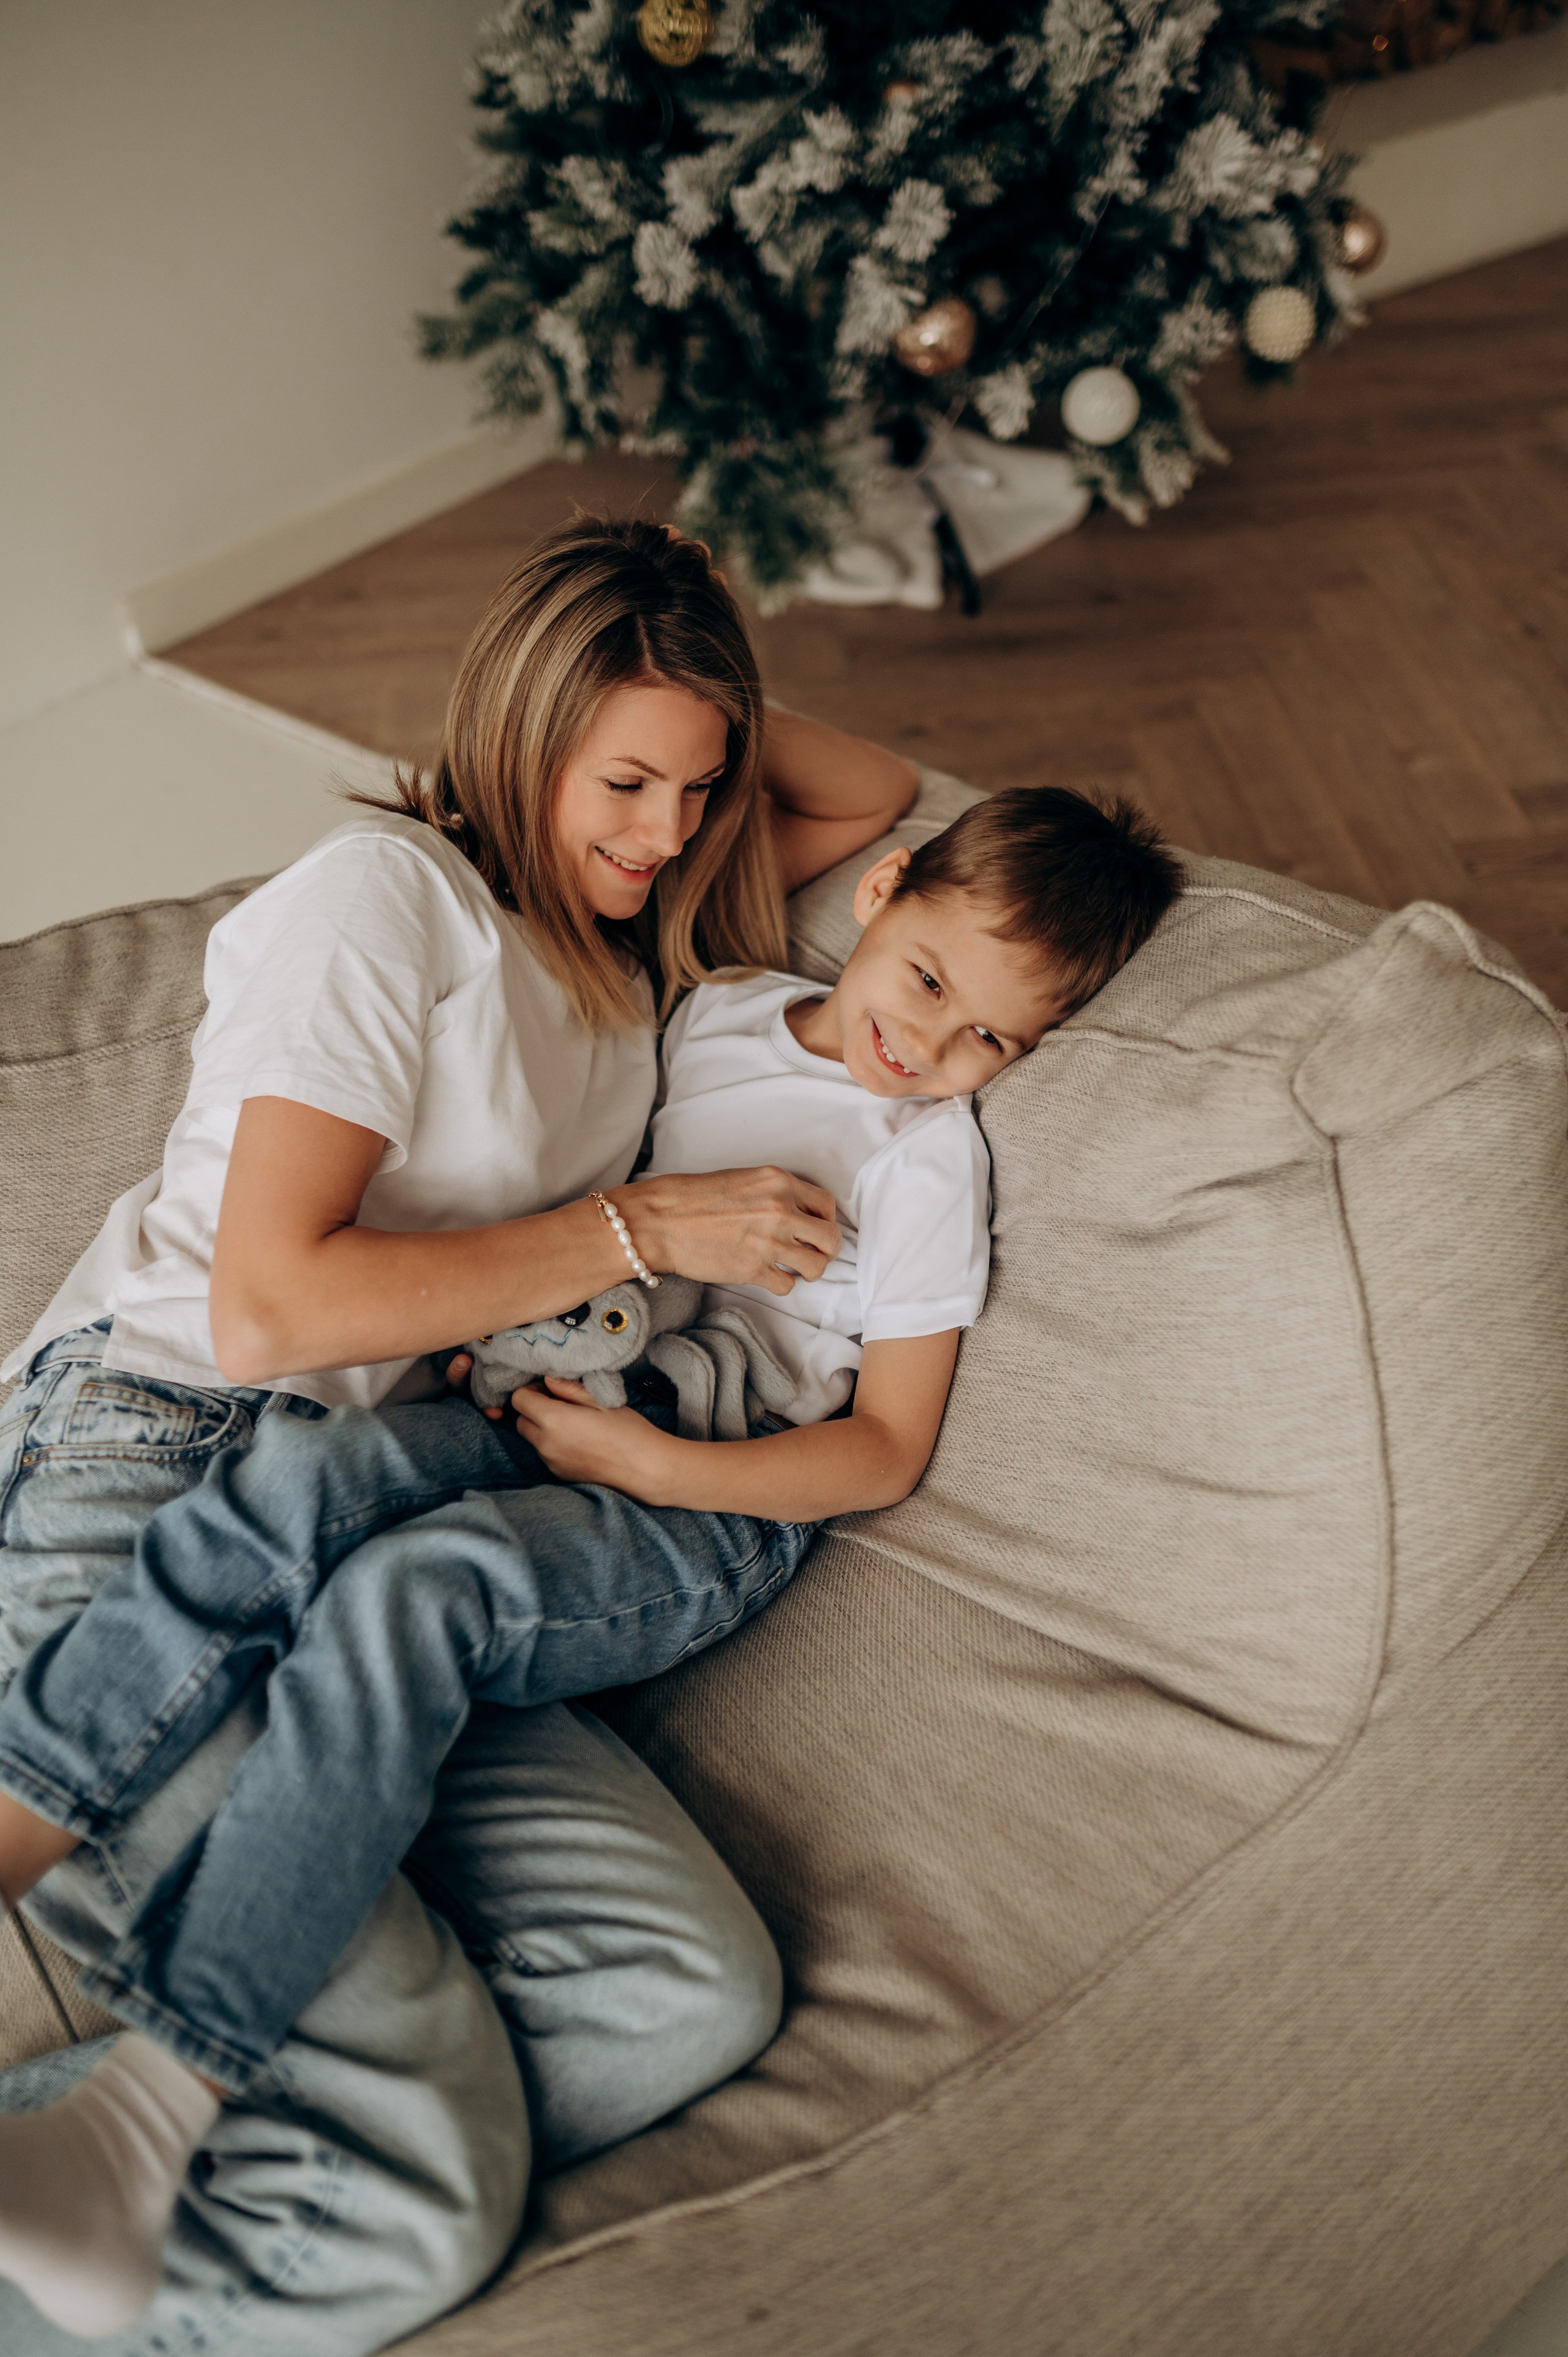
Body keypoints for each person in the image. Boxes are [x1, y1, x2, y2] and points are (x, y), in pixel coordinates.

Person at [0, 786, 1181, 2339]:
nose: (936, 1049)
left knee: (402, 1602)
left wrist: (659, 1462)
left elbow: (881, 1451)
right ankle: (31, 1810)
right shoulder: (722, 1014)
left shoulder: (927, 1165)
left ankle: (168, 2089)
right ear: (882, 894)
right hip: (538, 1412)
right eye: (928, 982)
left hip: (692, 1503)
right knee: (295, 1487)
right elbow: (832, 777)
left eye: (992, 1043)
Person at [0, 515, 925, 2355]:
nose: (667, 830)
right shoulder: (382, 897)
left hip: (384, 1542)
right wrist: (639, 1233)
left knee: (680, 1995)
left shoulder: (633, 953)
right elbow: (270, 1305)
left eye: (703, 783)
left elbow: (880, 787)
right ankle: (249, 2140)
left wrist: (685, 630)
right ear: (518, 725)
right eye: (625, 777)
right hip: (166, 1473)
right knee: (413, 2196)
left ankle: (123, 2135)